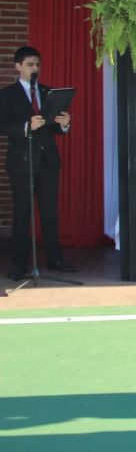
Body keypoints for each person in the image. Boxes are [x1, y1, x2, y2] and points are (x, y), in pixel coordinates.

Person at [0, 46, 74, 278]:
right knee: (22, 213)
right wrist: (26, 127)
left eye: (37, 65)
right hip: (22, 162)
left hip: (48, 160)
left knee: (50, 213)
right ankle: (20, 264)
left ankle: (55, 259)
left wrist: (64, 124)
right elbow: (3, 126)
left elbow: (55, 128)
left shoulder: (48, 92)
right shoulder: (7, 95)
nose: (35, 69)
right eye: (30, 64)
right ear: (18, 66)